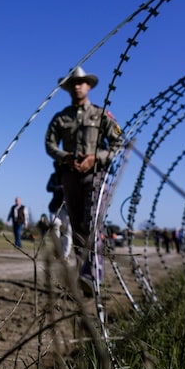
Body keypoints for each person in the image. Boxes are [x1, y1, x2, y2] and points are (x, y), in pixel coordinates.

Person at [45, 66, 123, 296]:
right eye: (73, 83)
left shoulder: (101, 115)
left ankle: (93, 276)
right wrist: (66, 158)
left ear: (88, 86)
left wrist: (95, 158)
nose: (77, 86)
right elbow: (49, 144)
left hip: (95, 176)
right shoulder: (61, 118)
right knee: (78, 227)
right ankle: (83, 277)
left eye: (81, 82)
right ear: (69, 88)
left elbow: (118, 144)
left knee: (93, 224)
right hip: (70, 177)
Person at [46, 163, 72, 260]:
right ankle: (59, 251)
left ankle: (65, 255)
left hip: (68, 208)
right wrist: (59, 188)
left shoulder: (70, 176)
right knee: (54, 225)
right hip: (56, 206)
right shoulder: (54, 176)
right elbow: (48, 187)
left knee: (68, 231)